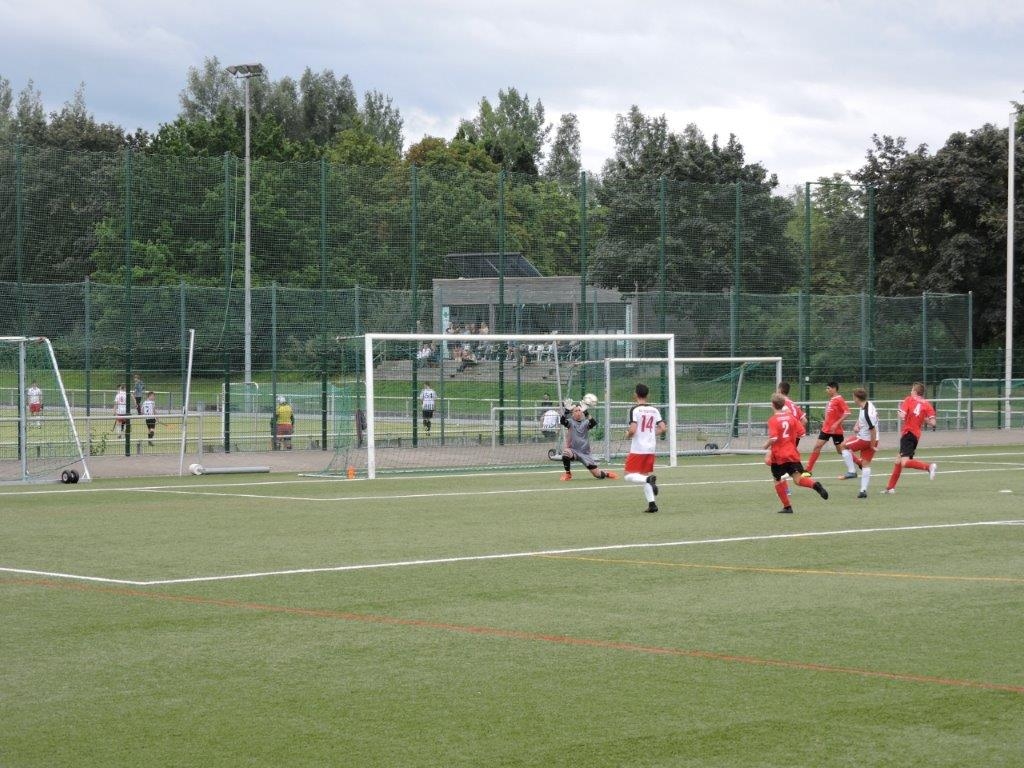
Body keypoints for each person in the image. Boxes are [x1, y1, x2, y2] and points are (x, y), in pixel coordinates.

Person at [764, 394, 830, 513]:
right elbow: (802, 433)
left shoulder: (773, 420)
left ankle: (787, 507)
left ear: (773, 405)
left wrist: (765, 445)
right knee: (798, 479)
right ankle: (815, 485)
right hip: (792, 453)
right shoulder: (791, 418)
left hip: (779, 456)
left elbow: (773, 438)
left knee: (777, 479)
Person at [882, 382, 937, 494]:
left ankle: (929, 467)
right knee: (898, 461)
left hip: (908, 433)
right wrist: (923, 418)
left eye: (912, 390)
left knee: (904, 462)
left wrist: (899, 412)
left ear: (915, 392)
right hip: (915, 436)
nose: (910, 392)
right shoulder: (927, 404)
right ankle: (890, 488)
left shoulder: (909, 399)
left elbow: (902, 415)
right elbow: (933, 423)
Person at [623, 383, 667, 513]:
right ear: (648, 395)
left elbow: (632, 430)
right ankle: (652, 504)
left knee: (628, 475)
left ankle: (649, 480)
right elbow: (663, 428)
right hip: (650, 448)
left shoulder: (635, 410)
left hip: (638, 448)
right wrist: (651, 434)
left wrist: (628, 435)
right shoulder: (654, 410)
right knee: (643, 474)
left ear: (635, 394)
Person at [804, 380, 858, 478]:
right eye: (826, 388)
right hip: (826, 429)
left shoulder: (839, 399)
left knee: (841, 450)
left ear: (834, 389)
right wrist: (825, 422)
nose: (827, 390)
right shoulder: (831, 400)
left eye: (828, 388)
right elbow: (830, 414)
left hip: (836, 430)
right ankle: (808, 470)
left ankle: (859, 462)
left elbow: (847, 412)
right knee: (817, 446)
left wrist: (836, 423)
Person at [558, 400, 618, 481]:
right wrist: (566, 411)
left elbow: (593, 423)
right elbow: (562, 421)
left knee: (598, 475)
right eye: (576, 411)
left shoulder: (585, 422)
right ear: (572, 414)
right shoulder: (570, 422)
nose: (578, 412)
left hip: (585, 453)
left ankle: (606, 473)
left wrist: (586, 412)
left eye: (580, 410)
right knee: (566, 453)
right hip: (574, 451)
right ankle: (568, 474)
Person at [842, 388, 879, 498]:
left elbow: (873, 430)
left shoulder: (867, 413)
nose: (853, 399)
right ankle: (863, 491)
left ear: (857, 398)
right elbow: (864, 420)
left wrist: (871, 445)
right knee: (865, 464)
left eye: (853, 397)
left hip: (865, 439)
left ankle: (852, 471)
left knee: (843, 446)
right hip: (874, 439)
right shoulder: (867, 405)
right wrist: (857, 425)